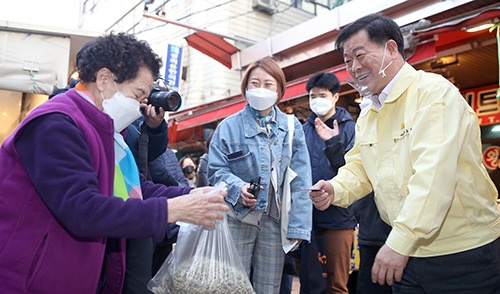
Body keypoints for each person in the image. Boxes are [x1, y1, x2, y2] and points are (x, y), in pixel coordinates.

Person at [0, 32, 228, 294]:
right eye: (138, 94)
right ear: (105, 79)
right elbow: (82, 208)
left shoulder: (107, 132)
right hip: (30, 279)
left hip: (71, 275)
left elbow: (134, 188)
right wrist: (170, 210)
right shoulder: (56, 123)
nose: (140, 106)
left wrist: (192, 194)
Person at [309, 13, 500, 293]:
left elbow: (433, 178)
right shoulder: (370, 111)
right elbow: (360, 167)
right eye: (348, 60)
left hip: (462, 253)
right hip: (404, 249)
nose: (354, 67)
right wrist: (335, 189)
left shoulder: (433, 94)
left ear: (391, 48)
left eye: (360, 55)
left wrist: (400, 241)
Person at [208, 56, 313, 294]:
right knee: (231, 286)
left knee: (269, 287)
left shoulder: (292, 127)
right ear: (245, 87)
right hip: (237, 218)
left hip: (275, 222)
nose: (260, 89)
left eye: (268, 84)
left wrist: (298, 226)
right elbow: (215, 170)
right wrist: (238, 188)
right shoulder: (228, 126)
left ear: (279, 89)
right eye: (254, 83)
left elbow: (301, 180)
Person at [300, 71, 357, 294]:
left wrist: (334, 143)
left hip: (339, 217)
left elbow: (354, 172)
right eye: (312, 96)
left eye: (322, 95)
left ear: (335, 97)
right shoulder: (303, 131)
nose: (317, 101)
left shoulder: (350, 129)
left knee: (336, 283)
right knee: (309, 280)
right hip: (307, 219)